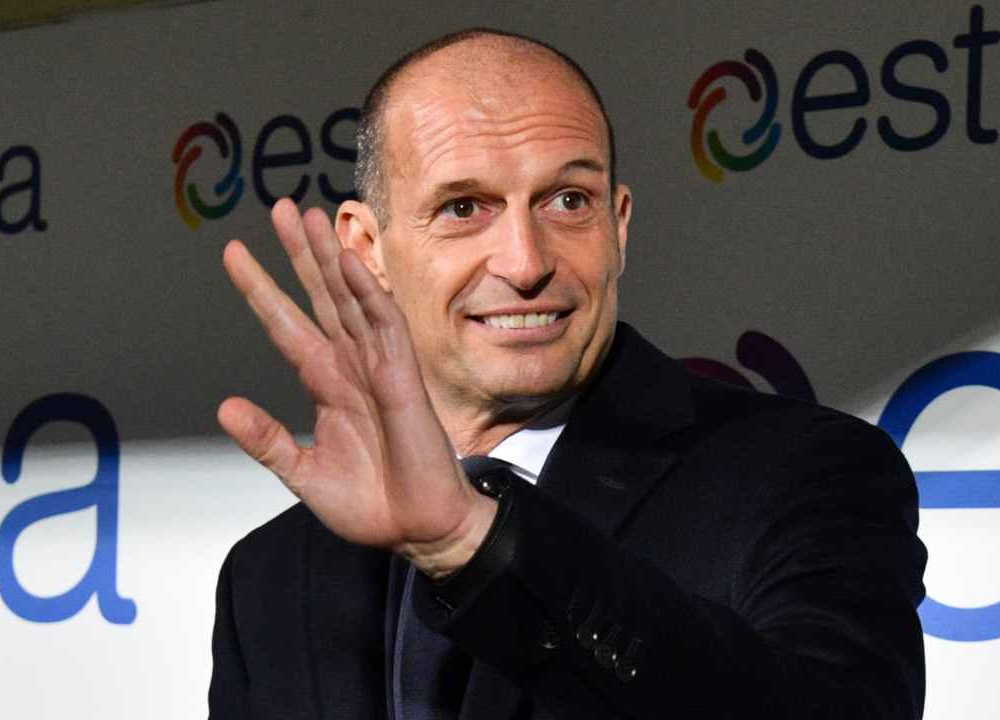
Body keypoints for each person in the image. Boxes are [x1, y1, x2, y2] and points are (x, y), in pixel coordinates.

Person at [209, 28, 926, 720]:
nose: (526, 263)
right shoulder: (270, 575)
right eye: (464, 208)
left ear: (618, 227)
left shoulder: (805, 473)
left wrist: (474, 542)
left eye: (568, 201)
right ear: (367, 248)